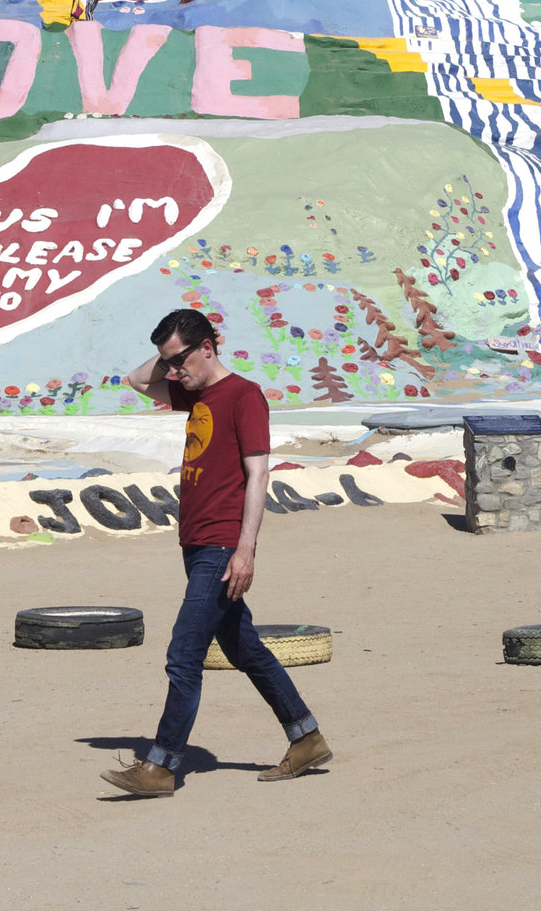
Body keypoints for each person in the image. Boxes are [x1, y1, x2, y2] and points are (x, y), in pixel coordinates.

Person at [101, 309, 329, 797]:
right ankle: (306, 737)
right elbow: (136, 379)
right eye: (170, 363)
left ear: (208, 346)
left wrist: (245, 550)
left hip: (223, 545)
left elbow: (258, 475)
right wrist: (170, 358)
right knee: (244, 648)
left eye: (180, 360)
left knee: (184, 653)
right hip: (196, 541)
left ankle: (160, 767)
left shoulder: (243, 396)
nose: (174, 373)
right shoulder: (197, 392)